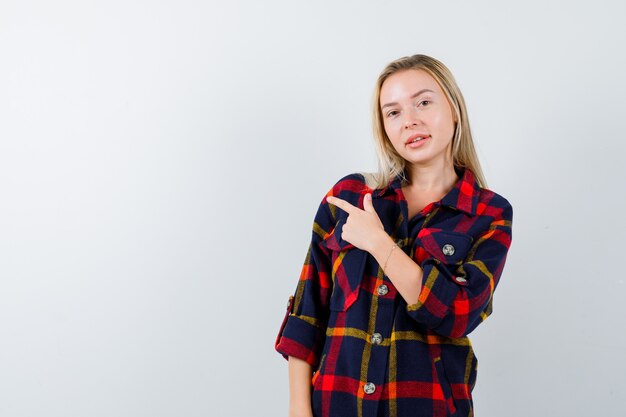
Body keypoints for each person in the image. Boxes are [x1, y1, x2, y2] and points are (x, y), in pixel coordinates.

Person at [274, 54, 513, 417]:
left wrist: (379, 244)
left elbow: (457, 313)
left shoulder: (488, 213)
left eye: (423, 102)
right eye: (393, 112)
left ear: (454, 109)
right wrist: (298, 409)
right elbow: (308, 313)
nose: (410, 121)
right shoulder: (349, 197)